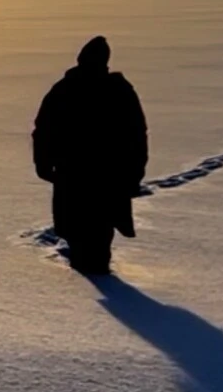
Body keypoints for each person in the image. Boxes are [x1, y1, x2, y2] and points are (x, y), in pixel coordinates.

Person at [33, 36, 148, 275]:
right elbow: (137, 135)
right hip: (88, 173)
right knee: (88, 228)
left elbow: (136, 135)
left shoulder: (70, 89)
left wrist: (44, 164)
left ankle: (94, 272)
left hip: (91, 174)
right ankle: (91, 269)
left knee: (91, 228)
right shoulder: (74, 89)